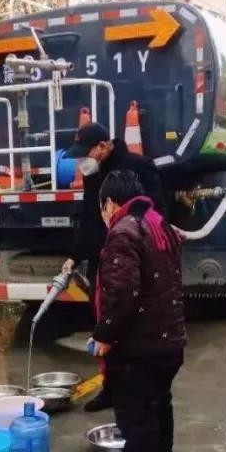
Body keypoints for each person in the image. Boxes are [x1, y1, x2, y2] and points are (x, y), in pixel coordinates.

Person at [88, 170, 186, 452]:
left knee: (136, 414)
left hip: (141, 346)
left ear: (110, 203)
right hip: (169, 339)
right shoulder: (158, 222)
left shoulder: (123, 230)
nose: (103, 217)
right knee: (159, 406)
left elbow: (121, 293)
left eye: (102, 210)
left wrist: (105, 336)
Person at [61, 122, 165, 413]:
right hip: (103, 260)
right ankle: (110, 387)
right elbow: (89, 219)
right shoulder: (94, 175)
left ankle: (136, 389)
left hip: (134, 260)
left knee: (131, 326)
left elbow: (156, 216)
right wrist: (75, 255)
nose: (84, 160)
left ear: (104, 146)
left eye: (88, 152)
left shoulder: (139, 167)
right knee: (104, 323)